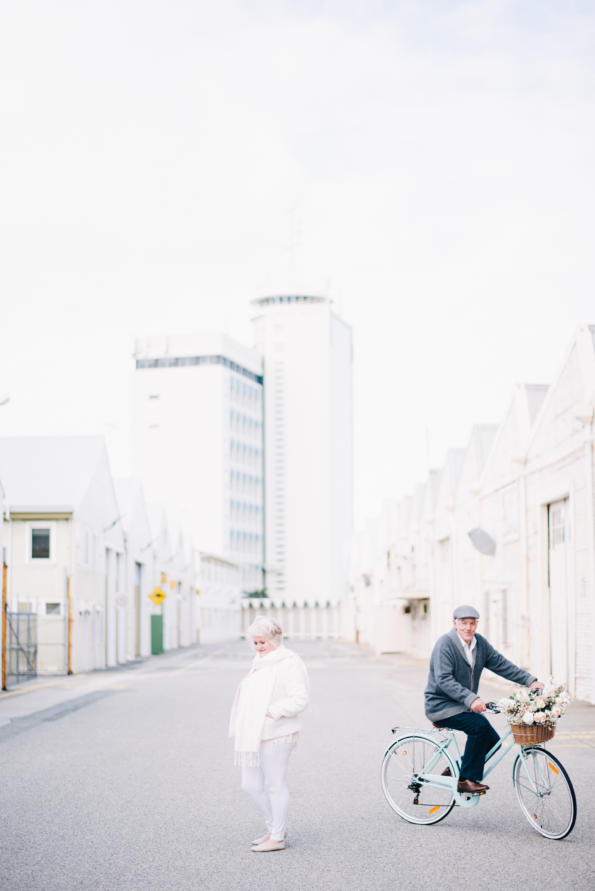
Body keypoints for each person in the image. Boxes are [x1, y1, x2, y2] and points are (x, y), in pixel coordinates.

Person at [424, 605, 543, 794]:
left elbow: (501, 664)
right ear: (455, 624)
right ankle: (465, 780)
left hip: (462, 705)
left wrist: (530, 680)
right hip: (441, 706)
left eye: (472, 623)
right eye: (463, 623)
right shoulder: (444, 644)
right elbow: (443, 679)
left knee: (493, 741)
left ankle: (457, 770)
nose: (468, 628)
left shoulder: (479, 644)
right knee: (479, 727)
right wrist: (471, 699)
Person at [229, 616, 309, 852]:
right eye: (254, 642)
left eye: (262, 642)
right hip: (253, 733)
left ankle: (277, 837)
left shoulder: (288, 662)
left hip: (277, 733)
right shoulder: (261, 661)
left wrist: (270, 712)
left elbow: (299, 698)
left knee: (275, 785)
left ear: (276, 639)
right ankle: (275, 827)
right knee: (250, 785)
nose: (258, 647)